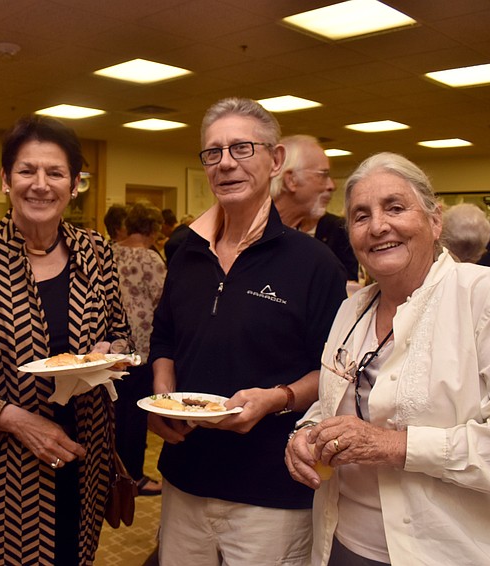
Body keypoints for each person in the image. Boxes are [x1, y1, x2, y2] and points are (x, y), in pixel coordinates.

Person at [285, 152, 490, 566]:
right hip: (342, 543)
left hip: (450, 552)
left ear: (434, 220)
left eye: (395, 208)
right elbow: (336, 399)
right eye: (361, 215)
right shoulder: (352, 310)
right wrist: (307, 433)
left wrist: (396, 446)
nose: (378, 226)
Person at [0, 114, 130, 566]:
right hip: (2, 468)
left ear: (75, 183)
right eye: (26, 170)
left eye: (55, 173)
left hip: (85, 455)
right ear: (5, 179)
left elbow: (120, 336)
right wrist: (14, 419)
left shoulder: (96, 252)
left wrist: (108, 356)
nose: (40, 184)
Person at [148, 97, 347, 566]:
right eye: (212, 152)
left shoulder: (313, 263)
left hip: (270, 489)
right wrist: (160, 391)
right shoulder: (186, 253)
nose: (225, 164)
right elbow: (164, 339)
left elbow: (336, 370)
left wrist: (276, 397)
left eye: (241, 148)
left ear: (275, 160)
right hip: (186, 478)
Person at [112, 202, 166, 497]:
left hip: (111, 349)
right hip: (141, 351)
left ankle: (112, 474)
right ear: (154, 228)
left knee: (114, 416)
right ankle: (133, 477)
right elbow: (164, 302)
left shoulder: (108, 251)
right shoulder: (150, 260)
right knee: (134, 420)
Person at [271, 134, 358, 281]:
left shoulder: (307, 248)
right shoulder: (242, 238)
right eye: (323, 175)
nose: (332, 186)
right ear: (291, 180)